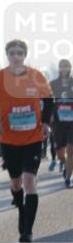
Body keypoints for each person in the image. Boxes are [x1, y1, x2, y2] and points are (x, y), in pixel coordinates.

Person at [0, 40, 54, 243]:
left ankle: (27, 230)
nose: (16, 56)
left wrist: (46, 123)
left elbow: (48, 101)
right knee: (15, 183)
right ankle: (21, 208)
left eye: (20, 53)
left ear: (25, 55)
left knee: (30, 182)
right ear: (7, 55)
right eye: (12, 52)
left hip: (33, 139)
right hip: (9, 140)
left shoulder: (37, 76)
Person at [49, 58, 73, 188]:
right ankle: (63, 165)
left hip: (72, 123)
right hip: (58, 122)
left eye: (66, 66)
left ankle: (69, 178)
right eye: (61, 67)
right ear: (59, 69)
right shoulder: (52, 84)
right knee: (60, 153)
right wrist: (50, 115)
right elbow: (48, 102)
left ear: (70, 68)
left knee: (71, 149)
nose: (64, 69)